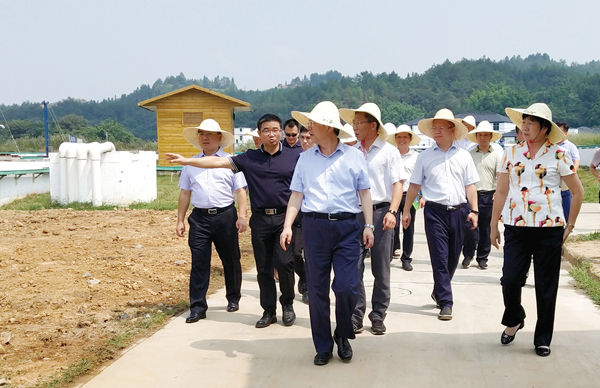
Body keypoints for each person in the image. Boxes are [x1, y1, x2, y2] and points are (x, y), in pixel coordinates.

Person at [167, 114, 303, 329]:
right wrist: (185, 160)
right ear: (259, 133)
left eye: (275, 130)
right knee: (263, 267)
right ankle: (268, 310)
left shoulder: (296, 157)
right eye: (266, 130)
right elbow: (216, 161)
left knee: (285, 263)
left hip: (285, 217)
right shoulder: (249, 158)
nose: (271, 133)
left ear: (281, 132)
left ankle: (287, 304)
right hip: (260, 219)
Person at [280, 101, 374, 366]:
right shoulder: (305, 159)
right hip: (315, 227)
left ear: (330, 128)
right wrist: (288, 226)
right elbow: (296, 195)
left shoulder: (354, 157)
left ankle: (343, 334)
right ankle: (323, 345)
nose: (308, 128)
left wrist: (369, 225)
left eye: (314, 123)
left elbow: (364, 193)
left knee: (347, 286)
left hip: (347, 228)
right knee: (317, 290)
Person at [491, 103, 583, 357]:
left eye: (532, 123)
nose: (526, 126)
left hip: (549, 229)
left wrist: (570, 224)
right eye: (524, 122)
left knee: (546, 285)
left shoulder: (559, 155)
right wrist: (492, 224)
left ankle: (543, 338)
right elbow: (500, 192)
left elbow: (577, 192)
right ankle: (515, 318)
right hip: (516, 227)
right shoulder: (510, 153)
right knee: (510, 279)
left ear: (545, 128)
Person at [402, 108, 479, 321]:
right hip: (434, 212)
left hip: (459, 211)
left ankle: (439, 289)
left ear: (452, 130)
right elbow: (414, 185)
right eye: (434, 128)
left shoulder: (463, 156)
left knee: (453, 257)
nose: (437, 131)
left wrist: (474, 211)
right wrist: (407, 209)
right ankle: (446, 301)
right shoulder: (425, 157)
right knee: (439, 257)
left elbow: (470, 185)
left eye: (441, 128)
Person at [339, 104, 405, 336]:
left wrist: (393, 212)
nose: (354, 127)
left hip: (381, 214)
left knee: (381, 268)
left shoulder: (389, 152)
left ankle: (378, 315)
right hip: (353, 214)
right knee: (353, 268)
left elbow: (398, 184)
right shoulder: (351, 151)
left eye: (359, 123)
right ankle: (356, 315)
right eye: (353, 123)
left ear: (373, 125)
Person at [175, 119, 248, 323]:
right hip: (199, 218)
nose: (204, 138)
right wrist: (180, 220)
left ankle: (233, 297)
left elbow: (241, 191)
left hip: (225, 216)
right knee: (199, 262)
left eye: (209, 134)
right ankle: (197, 306)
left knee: (231, 259)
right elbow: (185, 193)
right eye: (201, 134)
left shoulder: (231, 162)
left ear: (219, 138)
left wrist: (242, 216)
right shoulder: (190, 164)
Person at [461, 121, 503, 270]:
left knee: (486, 228)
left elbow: (499, 175)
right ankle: (467, 255)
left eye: (486, 135)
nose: (483, 137)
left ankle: (482, 257)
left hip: (489, 195)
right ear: (476, 136)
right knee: (469, 227)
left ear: (491, 136)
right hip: (472, 195)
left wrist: (498, 192)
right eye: (480, 135)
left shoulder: (498, 154)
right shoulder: (469, 154)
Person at [387, 124, 421, 271]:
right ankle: (389, 254)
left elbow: (421, 179)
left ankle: (406, 258)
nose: (402, 140)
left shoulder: (416, 157)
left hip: (410, 195)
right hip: (393, 195)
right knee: (391, 227)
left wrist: (422, 196)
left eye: (405, 137)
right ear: (395, 139)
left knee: (409, 227)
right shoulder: (390, 154)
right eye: (399, 137)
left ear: (410, 139)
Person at [556, 122, 580, 221]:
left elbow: (576, 160)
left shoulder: (570, 146)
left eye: (560, 131)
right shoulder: (551, 145)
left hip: (566, 179)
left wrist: (571, 174)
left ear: (565, 133)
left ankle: (569, 222)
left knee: (566, 201)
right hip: (555, 178)